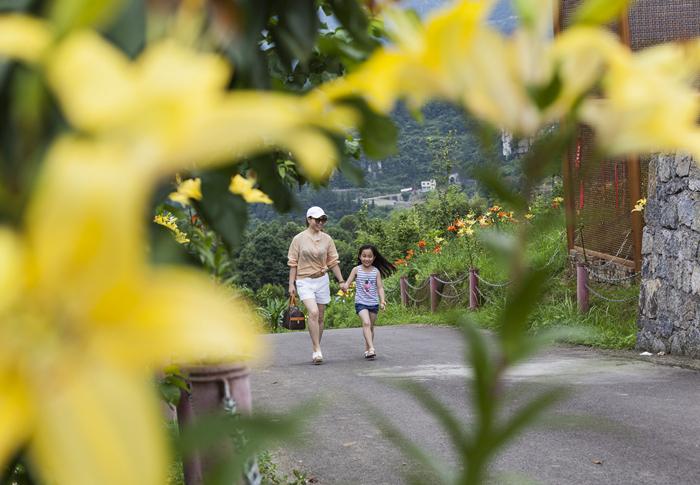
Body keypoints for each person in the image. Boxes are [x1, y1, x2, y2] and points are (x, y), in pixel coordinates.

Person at [288, 206, 345, 364]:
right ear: (309, 219)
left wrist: (341, 281)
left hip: (322, 280)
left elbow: (333, 262)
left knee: (320, 317)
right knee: (312, 312)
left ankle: (317, 346)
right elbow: (293, 263)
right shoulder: (298, 239)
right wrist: (291, 284)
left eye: (323, 219)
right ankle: (316, 349)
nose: (321, 222)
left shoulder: (327, 239)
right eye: (317, 219)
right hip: (304, 280)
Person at [340, 244, 395, 359]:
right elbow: (347, 283)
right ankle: (371, 348)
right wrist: (344, 286)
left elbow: (380, 287)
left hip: (373, 303)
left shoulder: (376, 272)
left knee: (370, 327)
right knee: (366, 323)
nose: (367, 259)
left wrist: (383, 301)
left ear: (374, 258)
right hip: (361, 302)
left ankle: (367, 349)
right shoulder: (356, 270)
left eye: (370, 256)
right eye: (364, 256)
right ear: (360, 257)